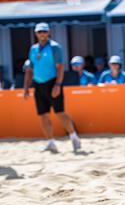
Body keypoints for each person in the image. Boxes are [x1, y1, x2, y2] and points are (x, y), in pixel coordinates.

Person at [23, 22, 81, 153]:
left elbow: (60, 67)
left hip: (52, 82)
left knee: (60, 113)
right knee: (43, 115)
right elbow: (29, 69)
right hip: (38, 84)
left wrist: (58, 85)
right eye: (39, 32)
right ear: (36, 33)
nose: (42, 34)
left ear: (48, 32)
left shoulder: (54, 47)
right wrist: (26, 87)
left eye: (44, 31)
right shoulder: (33, 49)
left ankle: (74, 137)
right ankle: (51, 142)